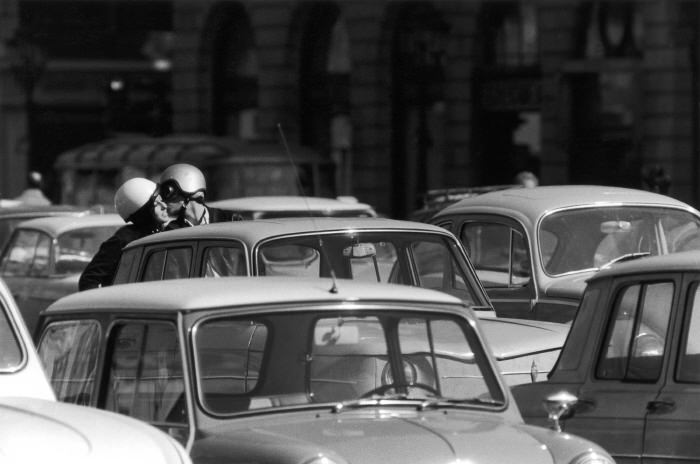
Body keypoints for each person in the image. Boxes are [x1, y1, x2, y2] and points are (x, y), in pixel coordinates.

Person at [78, 178, 171, 291]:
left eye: (162, 200)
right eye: (156, 204)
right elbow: (89, 280)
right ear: (144, 212)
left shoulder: (168, 233)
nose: (164, 206)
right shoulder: (125, 239)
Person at [158, 163, 236, 228]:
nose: (163, 202)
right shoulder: (171, 232)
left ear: (189, 192)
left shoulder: (230, 220)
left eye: (167, 193)